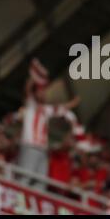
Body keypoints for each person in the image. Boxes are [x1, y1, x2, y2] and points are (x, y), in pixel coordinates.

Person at [18, 58, 80, 186]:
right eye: (41, 91)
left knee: (41, 181)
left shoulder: (46, 110)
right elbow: (27, 90)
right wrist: (33, 78)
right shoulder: (31, 105)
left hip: (42, 149)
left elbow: (61, 108)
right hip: (30, 145)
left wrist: (73, 103)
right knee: (24, 177)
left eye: (44, 91)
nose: (44, 94)